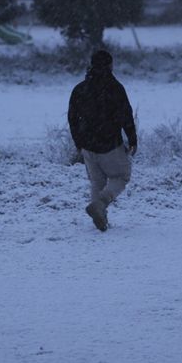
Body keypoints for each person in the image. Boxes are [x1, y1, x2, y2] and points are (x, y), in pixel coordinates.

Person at [68, 49, 137, 232]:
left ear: (91, 65)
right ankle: (101, 204)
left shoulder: (80, 89)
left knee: (97, 182)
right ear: (110, 66)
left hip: (88, 146)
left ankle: (100, 218)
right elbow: (126, 115)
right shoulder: (115, 88)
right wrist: (132, 138)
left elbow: (72, 118)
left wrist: (78, 143)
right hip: (109, 144)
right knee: (121, 176)